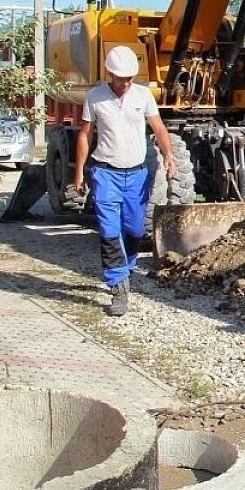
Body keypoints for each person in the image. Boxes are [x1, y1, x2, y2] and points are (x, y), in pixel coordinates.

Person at [73, 46, 178, 316]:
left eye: (130, 78)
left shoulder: (143, 96)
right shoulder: (95, 97)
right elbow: (85, 134)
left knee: (133, 230)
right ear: (110, 73)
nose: (125, 83)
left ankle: (126, 267)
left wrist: (169, 155)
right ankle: (118, 284)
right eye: (121, 78)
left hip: (136, 175)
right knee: (109, 230)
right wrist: (79, 171)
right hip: (105, 172)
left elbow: (158, 127)